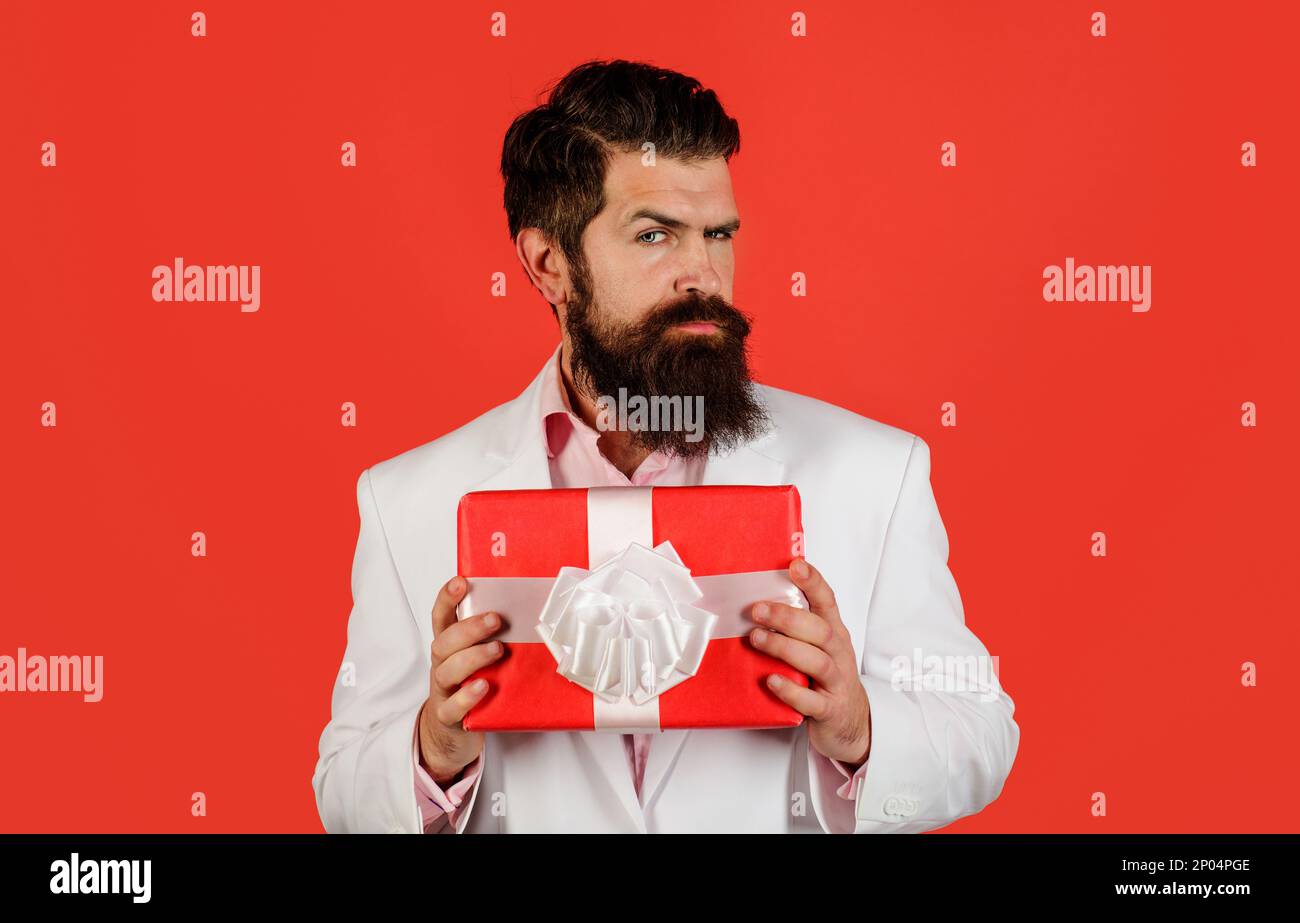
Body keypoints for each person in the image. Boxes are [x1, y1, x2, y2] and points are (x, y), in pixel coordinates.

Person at [312, 58, 1019, 833]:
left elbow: (982, 732)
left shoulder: (875, 473)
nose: (703, 274)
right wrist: (433, 748)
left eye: (719, 234)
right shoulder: (406, 499)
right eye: (655, 235)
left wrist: (860, 728)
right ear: (549, 264)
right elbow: (343, 790)